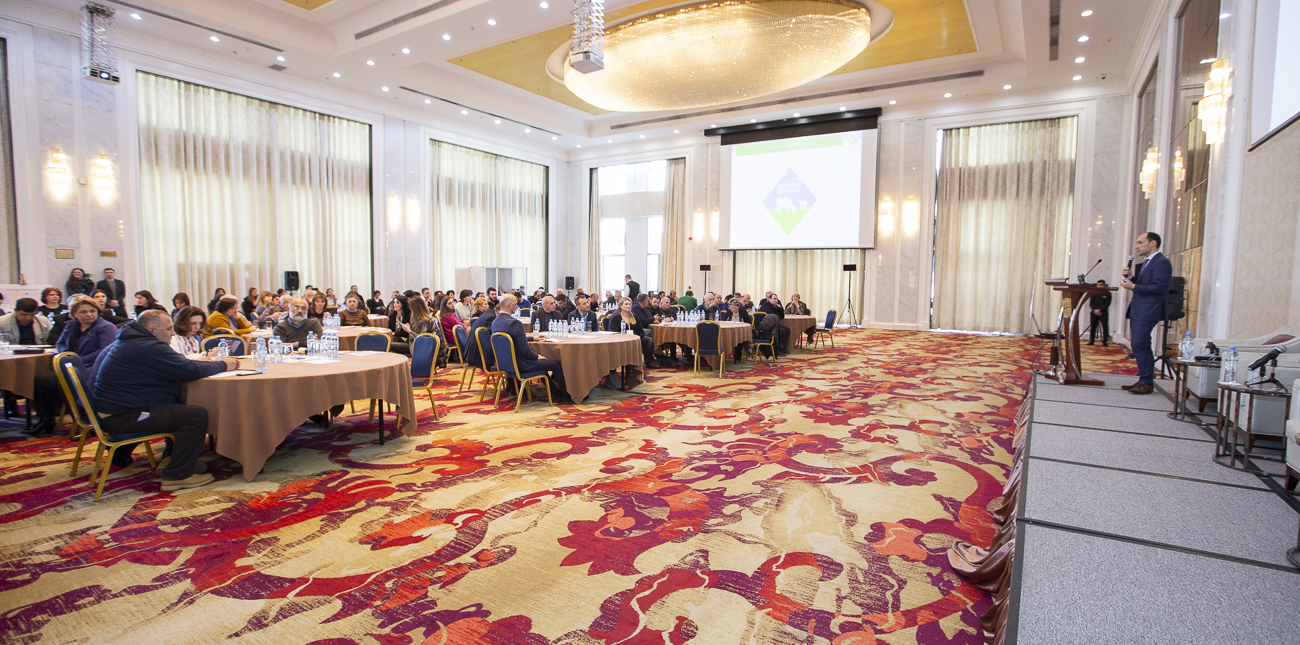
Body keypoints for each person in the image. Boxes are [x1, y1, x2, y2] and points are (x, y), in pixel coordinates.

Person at [93, 310, 236, 490]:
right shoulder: (148, 347)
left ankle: (174, 460)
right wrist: (224, 365)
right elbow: (189, 370)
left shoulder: (135, 341)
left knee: (177, 406)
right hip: (124, 417)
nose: (173, 333)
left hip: (121, 410)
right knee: (195, 415)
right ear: (152, 330)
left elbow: (183, 364)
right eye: (169, 329)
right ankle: (178, 475)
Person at [1121, 232, 1172, 394]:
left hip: (1149, 309)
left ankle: (1146, 381)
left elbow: (1159, 288)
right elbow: (1144, 284)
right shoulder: (1147, 262)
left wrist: (1133, 286)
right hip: (1139, 308)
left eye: (1140, 242)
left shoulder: (1161, 262)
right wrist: (1131, 277)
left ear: (1153, 243)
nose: (1137, 246)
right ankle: (1144, 379)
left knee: (1140, 343)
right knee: (1139, 344)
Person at [490, 295, 566, 397]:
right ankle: (566, 394)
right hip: (522, 364)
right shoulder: (515, 323)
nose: (517, 307)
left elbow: (511, 340)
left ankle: (554, 391)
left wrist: (533, 338)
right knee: (555, 364)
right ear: (509, 305)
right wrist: (536, 356)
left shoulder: (495, 322)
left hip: (507, 364)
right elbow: (524, 350)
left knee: (542, 363)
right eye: (515, 304)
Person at [56, 298, 119, 377]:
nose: (89, 314)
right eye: (83, 312)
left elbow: (104, 351)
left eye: (92, 311)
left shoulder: (106, 327)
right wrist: (67, 354)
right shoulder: (71, 325)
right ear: (74, 314)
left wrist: (77, 361)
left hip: (96, 367)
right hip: (73, 365)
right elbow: (60, 343)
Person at [616, 296, 655, 366]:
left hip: (635, 337)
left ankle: (648, 362)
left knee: (648, 340)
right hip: (622, 338)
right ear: (621, 306)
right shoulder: (616, 318)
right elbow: (614, 332)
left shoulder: (634, 317)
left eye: (629, 304)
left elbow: (641, 330)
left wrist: (638, 338)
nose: (628, 306)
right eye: (626, 304)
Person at [463, 301, 498, 372]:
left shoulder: (489, 314)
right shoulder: (491, 317)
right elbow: (495, 335)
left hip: (474, 351)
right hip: (477, 354)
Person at [1088, 280, 1112, 346]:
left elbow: (1107, 303)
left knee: (1105, 327)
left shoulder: (1108, 293)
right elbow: (1091, 303)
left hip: (1103, 313)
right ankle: (1091, 341)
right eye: (1098, 285)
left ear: (1104, 285)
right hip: (1094, 312)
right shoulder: (1093, 293)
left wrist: (1100, 310)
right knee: (1093, 327)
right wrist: (1095, 310)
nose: (1099, 286)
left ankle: (1105, 341)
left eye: (1101, 285)